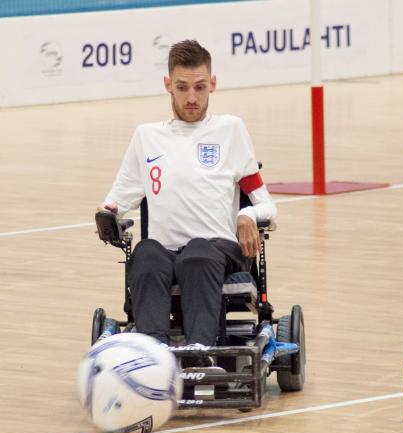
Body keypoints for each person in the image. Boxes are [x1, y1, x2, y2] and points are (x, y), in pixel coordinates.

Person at [99, 40, 277, 347]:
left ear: (213, 85)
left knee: (197, 252)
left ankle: (201, 350)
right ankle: (151, 351)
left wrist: (247, 213)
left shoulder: (231, 130)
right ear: (168, 84)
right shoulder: (146, 137)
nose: (191, 97)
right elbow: (115, 203)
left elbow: (268, 208)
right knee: (146, 253)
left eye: (200, 87)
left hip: (217, 250)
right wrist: (106, 217)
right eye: (182, 87)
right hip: (166, 251)